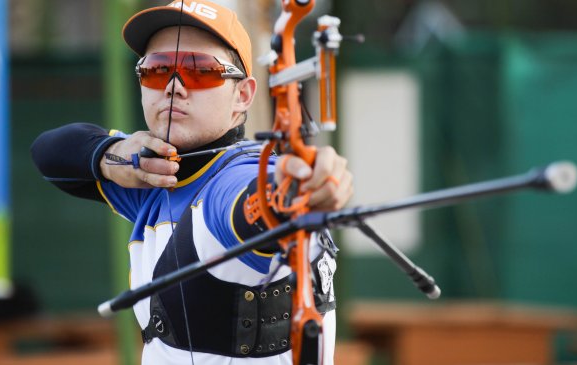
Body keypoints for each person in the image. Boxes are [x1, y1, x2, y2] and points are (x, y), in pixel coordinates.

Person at [31, 1, 353, 364]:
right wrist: (111, 156)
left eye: (200, 71)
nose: (172, 87)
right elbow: (48, 151)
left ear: (243, 95)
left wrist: (298, 190)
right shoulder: (152, 178)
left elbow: (253, 205)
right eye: (157, 69)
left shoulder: (238, 178)